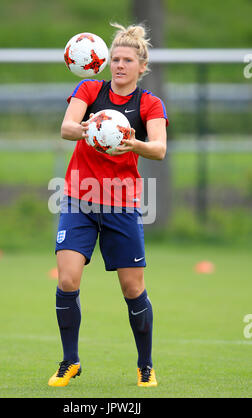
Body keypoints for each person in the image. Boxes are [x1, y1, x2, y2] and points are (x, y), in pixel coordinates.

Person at [48, 23, 168, 388]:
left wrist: (133, 144)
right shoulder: (89, 89)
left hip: (121, 202)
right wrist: (94, 127)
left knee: (132, 289)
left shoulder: (148, 103)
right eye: (114, 59)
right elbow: (68, 127)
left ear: (141, 66)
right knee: (67, 279)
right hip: (78, 199)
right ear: (105, 61)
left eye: (127, 60)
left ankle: (145, 365)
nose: (119, 65)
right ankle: (70, 361)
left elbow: (159, 149)